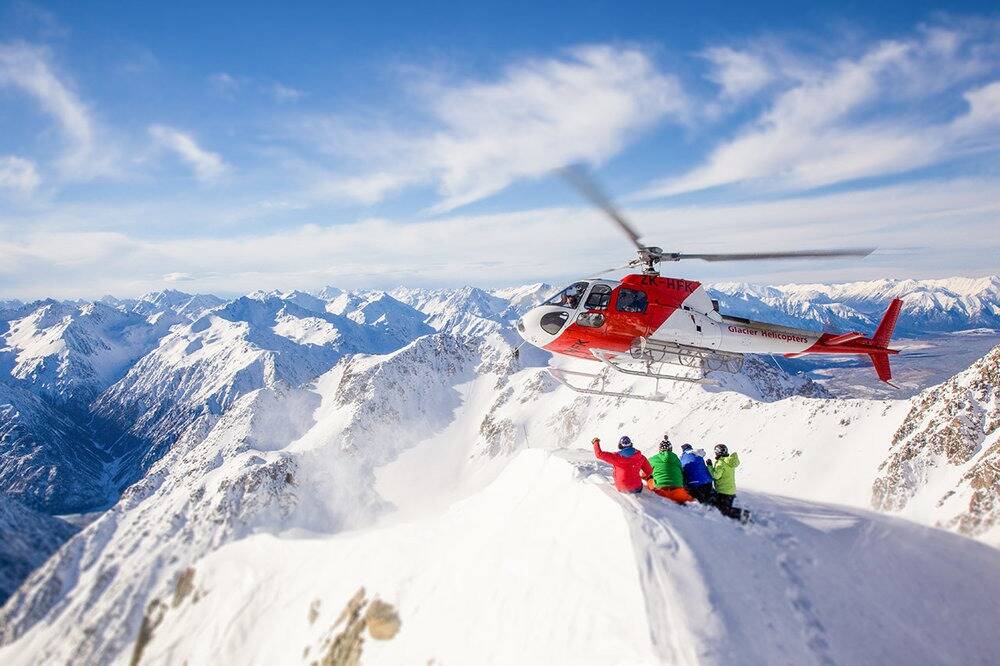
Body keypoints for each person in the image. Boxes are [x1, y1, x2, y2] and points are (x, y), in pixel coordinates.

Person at [645, 435, 693, 504]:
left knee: (649, 478)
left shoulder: (653, 459)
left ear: (660, 449)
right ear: (671, 449)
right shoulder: (676, 459)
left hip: (660, 491)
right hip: (678, 491)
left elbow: (643, 471)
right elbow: (681, 472)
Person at [707, 444, 745, 521]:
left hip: (723, 491)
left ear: (718, 452)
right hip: (730, 490)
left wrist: (709, 466)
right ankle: (740, 516)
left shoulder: (721, 463)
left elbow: (716, 475)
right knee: (722, 507)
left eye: (716, 452)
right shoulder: (729, 461)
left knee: (724, 511)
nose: (715, 454)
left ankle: (743, 514)